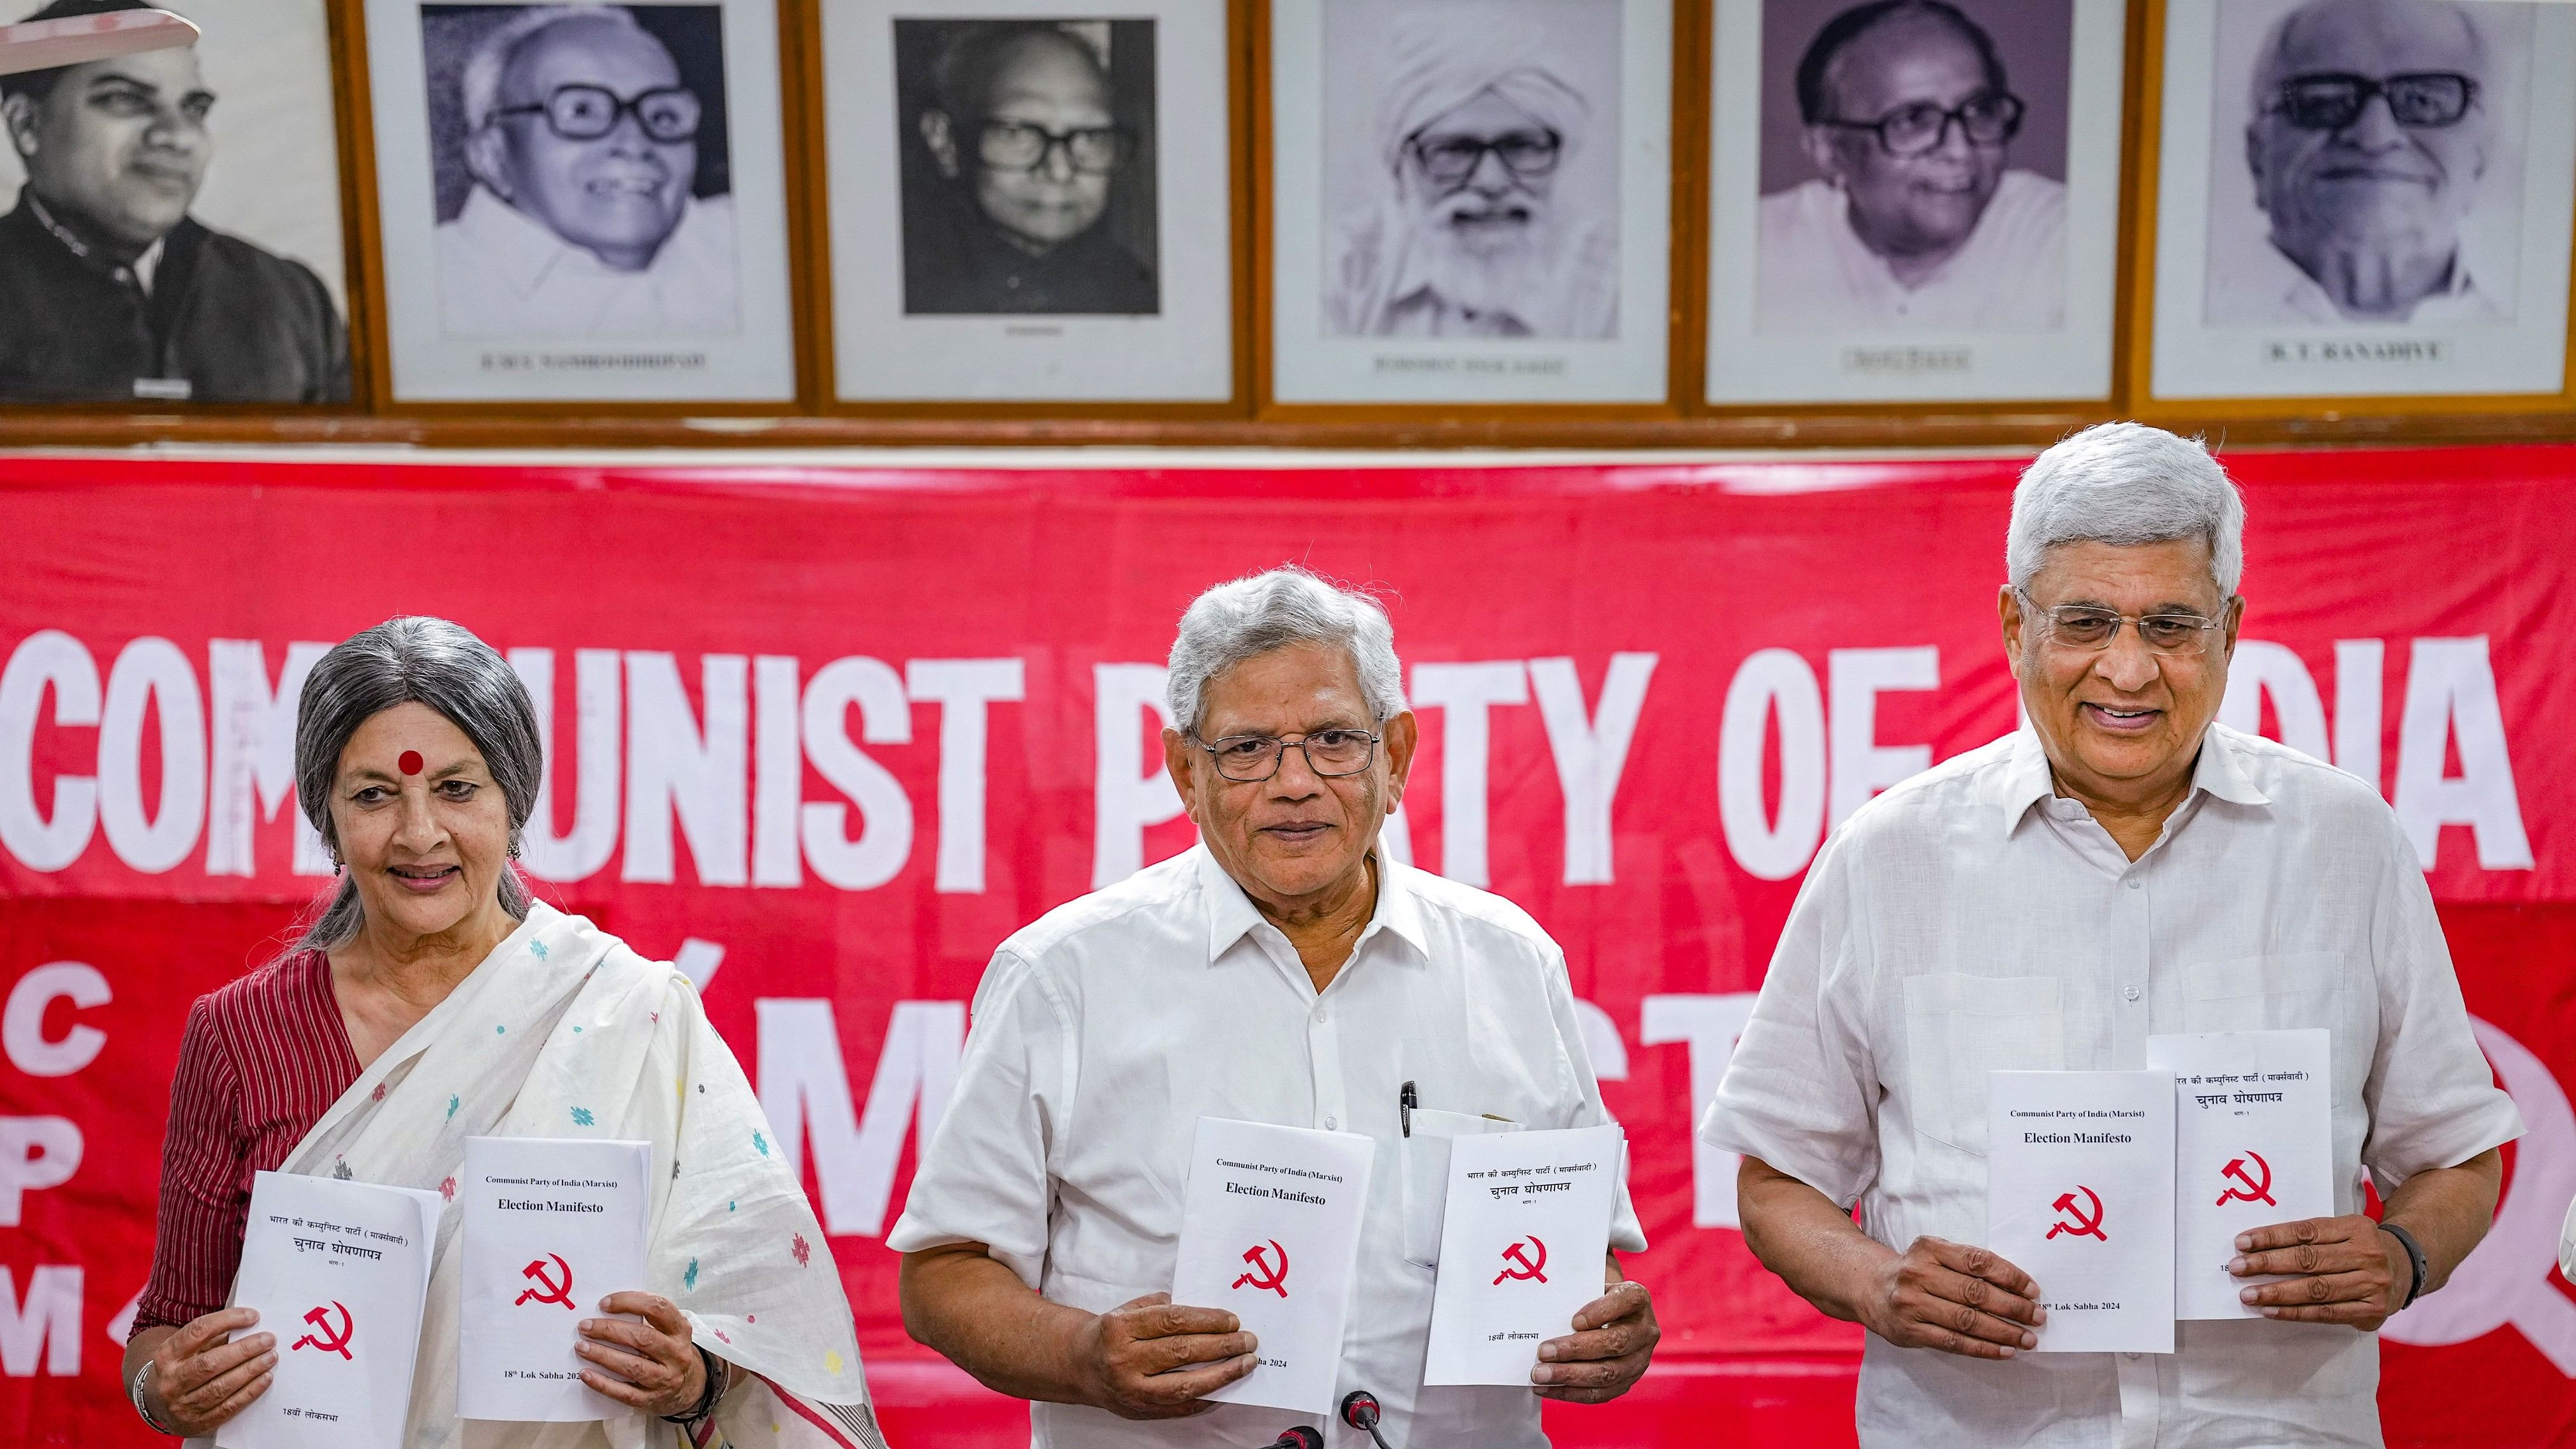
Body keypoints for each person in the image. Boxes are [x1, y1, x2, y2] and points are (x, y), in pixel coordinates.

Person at [1702, 423, 2521, 1446]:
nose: (2127, 673)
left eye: (2169, 625)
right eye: (2083, 621)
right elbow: (1776, 1178)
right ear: (2013, 625)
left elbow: (2454, 1151)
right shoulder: (1889, 855)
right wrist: (1877, 1282)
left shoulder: (2342, 841)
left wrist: (2401, 1257)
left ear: (2228, 631)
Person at [890, 568, 1658, 1447]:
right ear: (1185, 769)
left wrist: (1606, 1331)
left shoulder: (1510, 961)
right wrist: (1082, 1356)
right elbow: (944, 1275)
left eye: (1333, 739)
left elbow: (1578, 1254)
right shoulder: (1062, 974)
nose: (1293, 783)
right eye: (1247, 749)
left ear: (1394, 755)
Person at [121, 617, 878, 1449]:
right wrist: (168, 1388)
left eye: (457, 788)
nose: (419, 833)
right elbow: (169, 1322)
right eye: (373, 794)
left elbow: (767, 1317)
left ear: (513, 800)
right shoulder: (243, 1032)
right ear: (326, 818)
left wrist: (693, 1376)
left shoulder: (629, 1012)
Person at [0, 0, 348, 402]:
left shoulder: (291, 298)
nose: (178, 136)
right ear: (27, 125)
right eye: (126, 99)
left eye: (193, 109)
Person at [1757, 0, 2065, 332]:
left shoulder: (2065, 238)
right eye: (1913, 120)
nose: (1960, 151)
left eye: (1979, 110)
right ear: (1830, 152)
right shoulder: (1755, 250)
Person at [434, 6, 739, 338]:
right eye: (581, 110)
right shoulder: (427, 293)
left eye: (662, 115)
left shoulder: (755, 247)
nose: (636, 143)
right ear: (493, 157)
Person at [1324, 15, 1616, 338]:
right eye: (1453, 150)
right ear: (1401, 164)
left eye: (1522, 147)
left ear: (1560, 152)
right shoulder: (1339, 273)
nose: (1491, 182)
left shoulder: (1617, 282)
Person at [2230, 0, 2498, 324]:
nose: (2375, 137)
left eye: (2423, 101)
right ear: (2258, 157)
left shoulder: (2540, 328)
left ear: (2479, 160)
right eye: (2324, 100)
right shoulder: (2183, 316)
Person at [901, 22, 1156, 315]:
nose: (1060, 172)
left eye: (1091, 136)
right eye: (1016, 133)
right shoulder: (906, 289)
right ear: (945, 142)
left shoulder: (1133, 295)